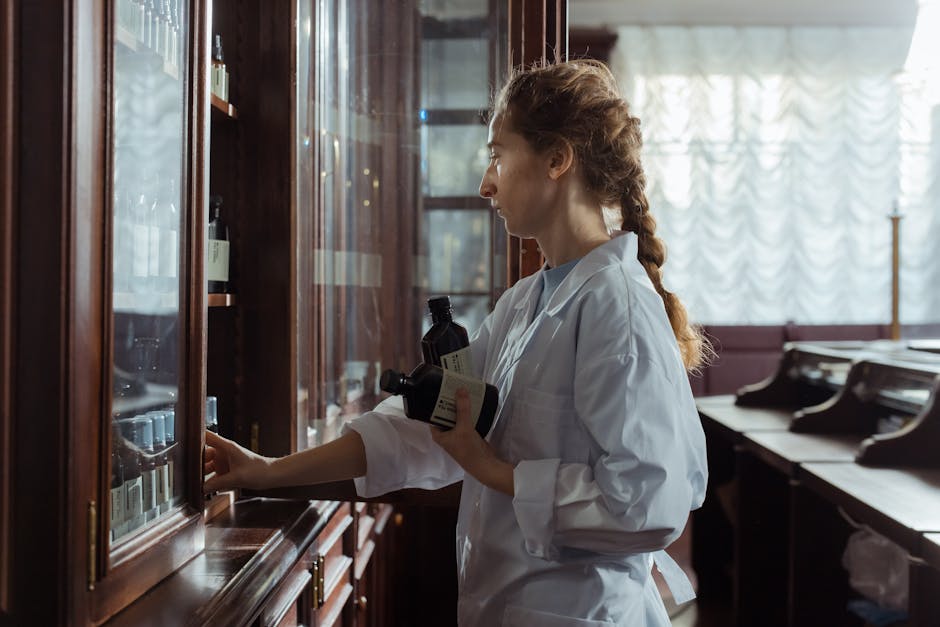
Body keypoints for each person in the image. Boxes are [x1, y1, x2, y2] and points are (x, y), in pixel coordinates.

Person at [204, 59, 709, 626]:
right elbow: (423, 430)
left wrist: (492, 469)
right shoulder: (524, 303)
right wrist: (266, 471)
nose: (484, 182)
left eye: (497, 154)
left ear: (556, 159)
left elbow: (648, 504)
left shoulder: (616, 304)